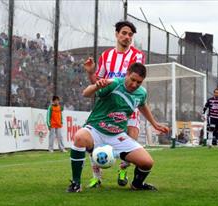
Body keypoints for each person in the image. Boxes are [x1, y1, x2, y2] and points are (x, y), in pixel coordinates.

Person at [67, 63, 169, 192]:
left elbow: (142, 105)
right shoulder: (114, 83)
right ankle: (76, 184)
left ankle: (137, 184)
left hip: (117, 136)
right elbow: (86, 93)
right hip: (96, 130)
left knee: (147, 162)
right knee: (79, 137)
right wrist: (95, 86)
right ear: (127, 73)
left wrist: (154, 123)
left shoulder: (141, 93)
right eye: (132, 79)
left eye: (139, 82)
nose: (134, 85)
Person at [83, 20, 145, 188]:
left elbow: (135, 79)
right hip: (106, 106)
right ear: (117, 34)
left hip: (127, 105)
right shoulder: (105, 56)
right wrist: (91, 73)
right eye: (124, 33)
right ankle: (97, 177)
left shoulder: (137, 56)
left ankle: (123, 170)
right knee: (93, 142)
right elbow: (98, 82)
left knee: (132, 136)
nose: (127, 37)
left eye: (130, 35)